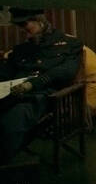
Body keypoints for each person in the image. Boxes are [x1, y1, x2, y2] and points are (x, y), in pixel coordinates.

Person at [0, 8, 84, 164]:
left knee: (11, 122)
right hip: (10, 94)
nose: (23, 29)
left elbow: (66, 72)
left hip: (41, 97)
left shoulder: (69, 44)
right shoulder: (21, 50)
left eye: (25, 24)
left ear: (40, 21)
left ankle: (7, 170)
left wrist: (32, 85)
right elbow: (5, 73)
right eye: (19, 26)